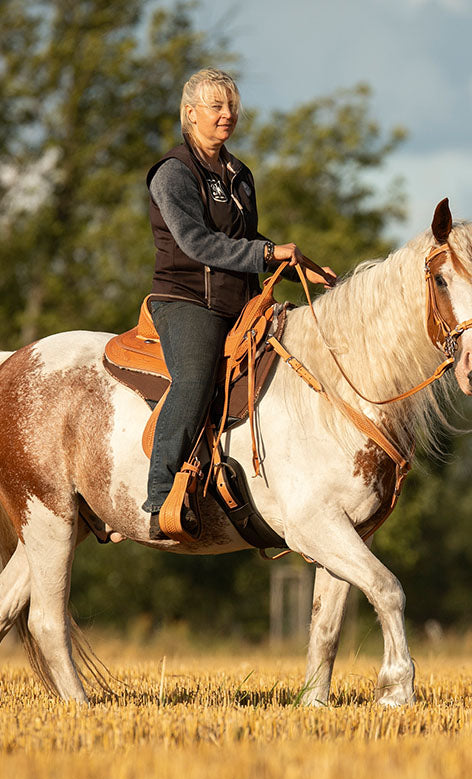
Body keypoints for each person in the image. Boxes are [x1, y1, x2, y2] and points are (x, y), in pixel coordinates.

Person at [143, 68, 337, 539]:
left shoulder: (239, 174)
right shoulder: (173, 172)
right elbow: (197, 243)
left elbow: (245, 240)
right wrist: (267, 253)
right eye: (216, 106)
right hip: (187, 299)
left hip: (240, 301)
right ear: (190, 114)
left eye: (231, 105)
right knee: (195, 377)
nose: (227, 114)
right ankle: (159, 497)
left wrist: (294, 265)